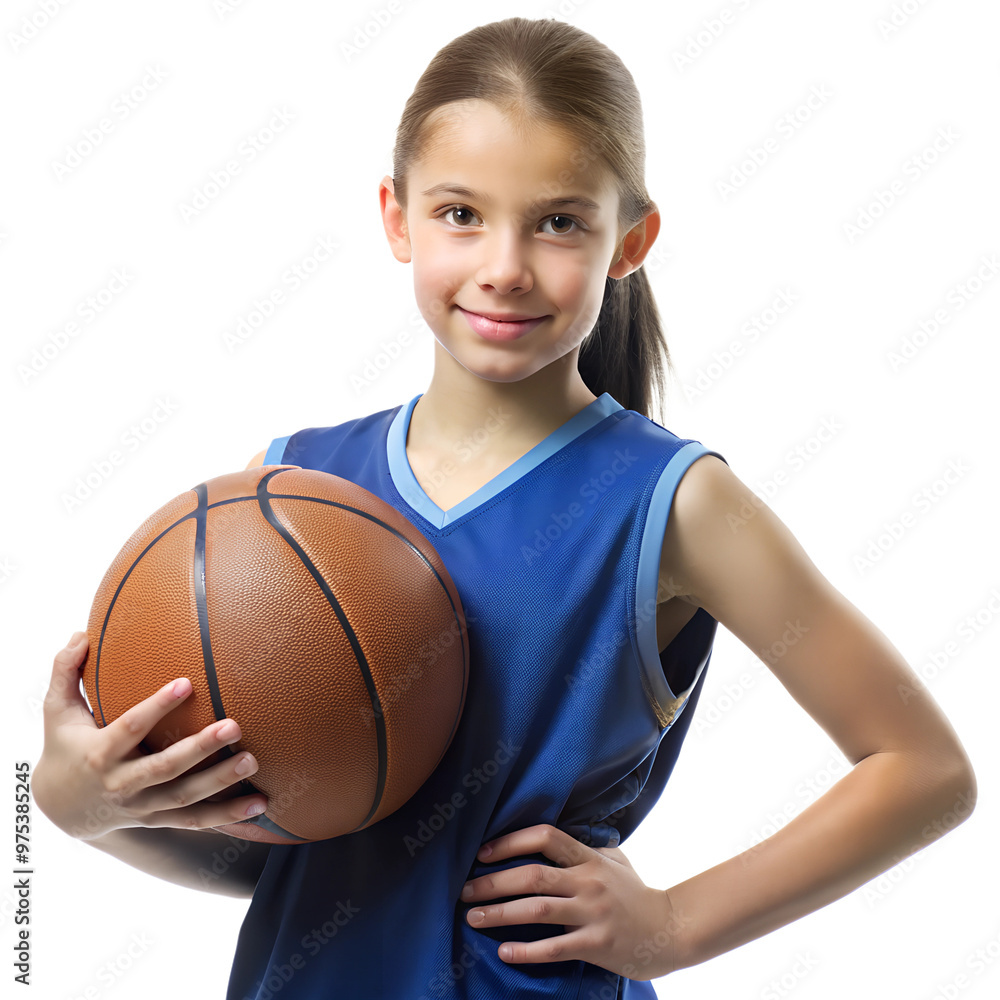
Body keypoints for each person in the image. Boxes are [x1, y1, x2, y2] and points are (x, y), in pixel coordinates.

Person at [34, 16, 977, 1000]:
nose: (505, 265)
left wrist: (675, 923)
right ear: (397, 219)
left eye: (560, 221)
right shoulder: (285, 489)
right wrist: (80, 802)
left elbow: (921, 769)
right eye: (460, 214)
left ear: (630, 241)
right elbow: (282, 851)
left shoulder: (676, 502)